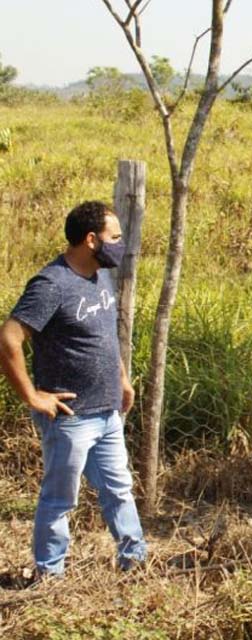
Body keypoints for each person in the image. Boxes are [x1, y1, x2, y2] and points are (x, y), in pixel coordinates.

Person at [0, 200, 147, 578]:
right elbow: (9, 339)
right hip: (70, 417)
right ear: (91, 239)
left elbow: (104, 336)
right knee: (60, 499)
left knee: (119, 490)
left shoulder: (100, 276)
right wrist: (32, 396)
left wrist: (121, 379)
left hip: (107, 411)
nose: (120, 245)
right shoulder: (52, 284)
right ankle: (50, 575)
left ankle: (135, 563)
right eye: (115, 237)